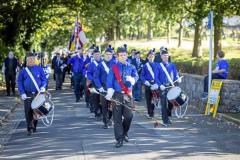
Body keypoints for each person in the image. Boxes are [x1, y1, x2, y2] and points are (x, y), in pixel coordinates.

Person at [105, 46, 139, 148]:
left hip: (128, 95)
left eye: (124, 55)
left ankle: (125, 132)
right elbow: (109, 80)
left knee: (129, 116)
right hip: (117, 95)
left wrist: (133, 79)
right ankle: (119, 139)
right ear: (117, 56)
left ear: (126, 55)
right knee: (117, 118)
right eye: (120, 55)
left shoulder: (131, 67)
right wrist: (110, 90)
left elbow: (136, 76)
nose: (123, 57)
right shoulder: (114, 67)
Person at [17, 53, 47, 135]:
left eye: (33, 59)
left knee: (36, 110)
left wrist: (43, 86)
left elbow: (44, 79)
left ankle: (34, 125)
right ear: (27, 60)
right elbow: (19, 82)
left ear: (35, 60)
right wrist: (22, 92)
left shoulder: (39, 69)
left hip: (37, 93)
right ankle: (29, 128)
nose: (31, 60)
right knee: (28, 111)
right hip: (27, 94)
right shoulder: (23, 71)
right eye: (30, 59)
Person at [157, 49, 181, 126]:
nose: (165, 57)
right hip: (163, 87)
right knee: (163, 103)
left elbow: (175, 74)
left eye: (167, 55)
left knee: (171, 103)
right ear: (161, 56)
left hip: (171, 86)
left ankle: (167, 116)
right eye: (164, 55)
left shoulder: (172, 65)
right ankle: (165, 119)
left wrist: (178, 78)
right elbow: (155, 77)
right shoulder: (158, 66)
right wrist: (160, 85)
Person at [94, 46, 115, 129]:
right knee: (104, 105)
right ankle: (105, 122)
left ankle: (110, 118)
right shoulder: (100, 65)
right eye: (107, 54)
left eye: (110, 54)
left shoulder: (115, 64)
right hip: (103, 87)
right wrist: (99, 87)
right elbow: (96, 77)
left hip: (113, 88)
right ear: (104, 55)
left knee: (113, 105)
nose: (108, 56)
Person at [141, 49, 160, 119]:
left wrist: (158, 83)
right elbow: (142, 75)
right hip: (148, 84)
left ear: (154, 57)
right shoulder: (145, 66)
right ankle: (150, 113)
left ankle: (152, 111)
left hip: (155, 84)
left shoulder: (157, 65)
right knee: (148, 100)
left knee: (155, 99)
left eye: (152, 56)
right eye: (149, 56)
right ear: (147, 57)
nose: (151, 57)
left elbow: (160, 75)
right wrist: (145, 81)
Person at [87, 46, 103, 118]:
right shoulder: (91, 64)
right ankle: (97, 112)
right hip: (94, 83)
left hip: (102, 83)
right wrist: (92, 79)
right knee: (95, 98)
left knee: (103, 98)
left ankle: (103, 111)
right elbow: (89, 73)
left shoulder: (103, 63)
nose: (97, 56)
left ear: (100, 55)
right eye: (95, 54)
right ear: (93, 55)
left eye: (98, 54)